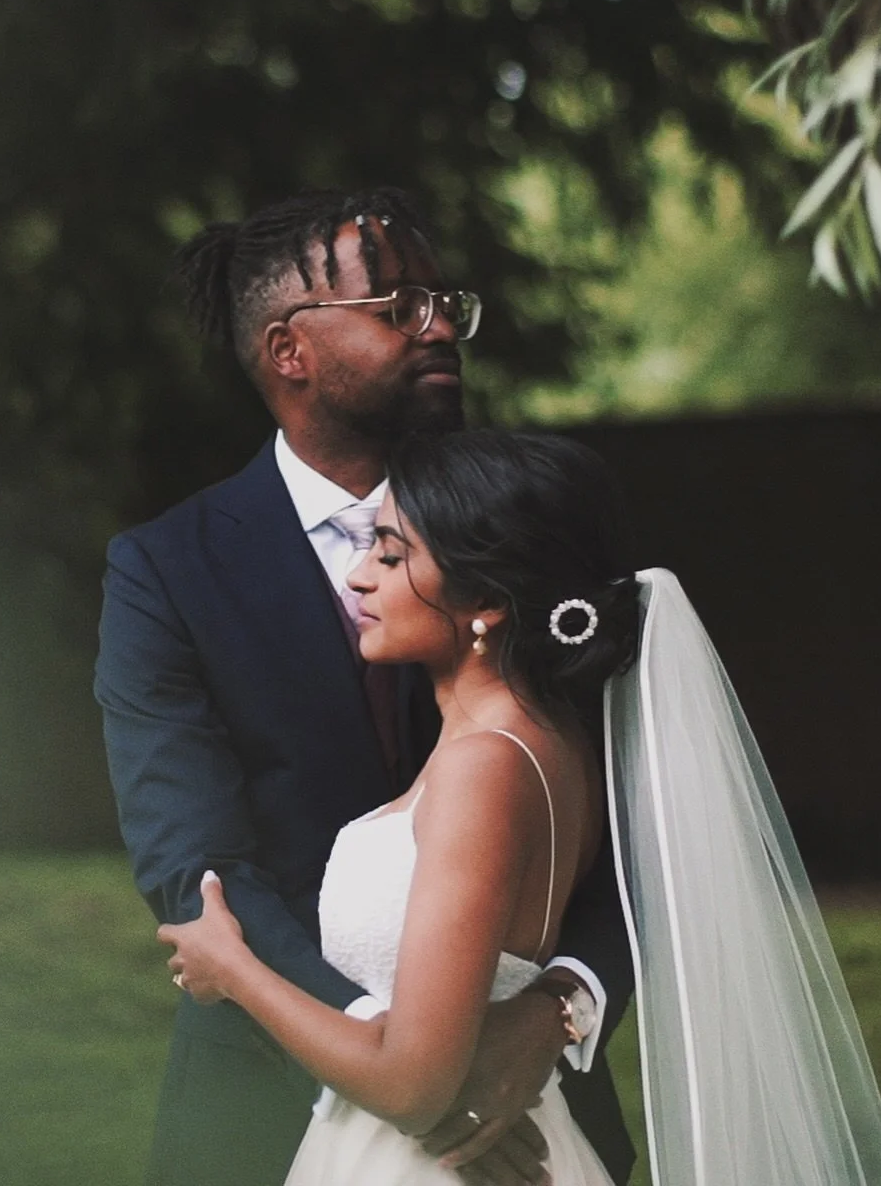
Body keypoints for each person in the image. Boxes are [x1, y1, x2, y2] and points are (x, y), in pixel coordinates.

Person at [160, 431, 881, 1186]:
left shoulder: (485, 767)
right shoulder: (548, 743)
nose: (358, 578)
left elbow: (412, 1088)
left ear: (485, 599)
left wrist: (234, 968)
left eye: (390, 554)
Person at [95, 190, 635, 1186]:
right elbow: (194, 862)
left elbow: (637, 816)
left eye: (443, 301)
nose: (439, 325)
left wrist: (562, 1005)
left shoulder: (526, 520)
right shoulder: (165, 571)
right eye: (398, 305)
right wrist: (400, 1065)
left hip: (533, 1110)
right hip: (262, 1108)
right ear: (289, 351)